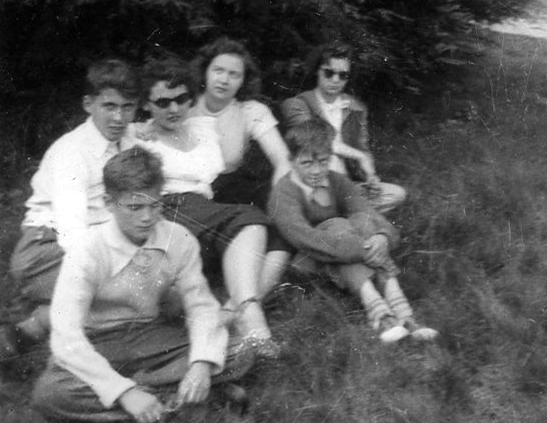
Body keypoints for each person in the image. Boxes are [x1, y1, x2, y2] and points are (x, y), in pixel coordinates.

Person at [32, 148, 256, 423]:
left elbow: (201, 306)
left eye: (155, 205)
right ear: (109, 203)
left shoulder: (179, 238)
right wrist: (124, 392)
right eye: (135, 207)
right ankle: (171, 399)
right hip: (97, 341)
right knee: (50, 393)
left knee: (241, 350)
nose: (147, 217)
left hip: (151, 335)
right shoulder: (87, 250)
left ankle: (159, 402)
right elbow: (65, 335)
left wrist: (201, 364)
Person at [136, 58, 289, 356]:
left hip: (203, 209)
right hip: (170, 210)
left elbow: (229, 158)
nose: (173, 108)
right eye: (163, 102)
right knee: (250, 220)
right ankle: (253, 321)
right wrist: (142, 128)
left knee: (278, 240)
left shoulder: (203, 127)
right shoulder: (140, 137)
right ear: (146, 104)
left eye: (181, 99)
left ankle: (231, 313)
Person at [0, 59, 140, 363]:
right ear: (89, 104)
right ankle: (50, 332)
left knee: (142, 288)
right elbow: (72, 232)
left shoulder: (129, 141)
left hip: (95, 242)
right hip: (45, 249)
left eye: (127, 107)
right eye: (109, 106)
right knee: (131, 292)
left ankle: (39, 321)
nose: (119, 117)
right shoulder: (72, 151)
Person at [268, 118, 437, 344]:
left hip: (346, 249)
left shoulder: (336, 180)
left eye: (324, 161)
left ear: (331, 157)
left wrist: (383, 238)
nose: (317, 171)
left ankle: (402, 317)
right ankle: (382, 314)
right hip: (308, 260)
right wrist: (363, 249)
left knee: (363, 221)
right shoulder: (283, 193)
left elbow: (371, 214)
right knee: (338, 225)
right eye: (306, 163)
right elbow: (305, 239)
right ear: (291, 161)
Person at [281, 41, 406, 214]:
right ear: (317, 71)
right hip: (310, 180)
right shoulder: (296, 104)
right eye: (329, 73)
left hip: (345, 185)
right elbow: (315, 141)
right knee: (329, 163)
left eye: (342, 75)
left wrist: (371, 177)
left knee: (396, 193)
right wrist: (359, 156)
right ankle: (342, 212)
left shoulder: (356, 108)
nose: (335, 80)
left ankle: (342, 210)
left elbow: (362, 149)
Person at [188, 37, 290, 207]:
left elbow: (282, 159)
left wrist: (278, 194)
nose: (224, 80)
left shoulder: (250, 110)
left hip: (227, 191)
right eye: (218, 70)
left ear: (243, 81)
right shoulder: (184, 103)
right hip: (186, 188)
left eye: (233, 74)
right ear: (205, 71)